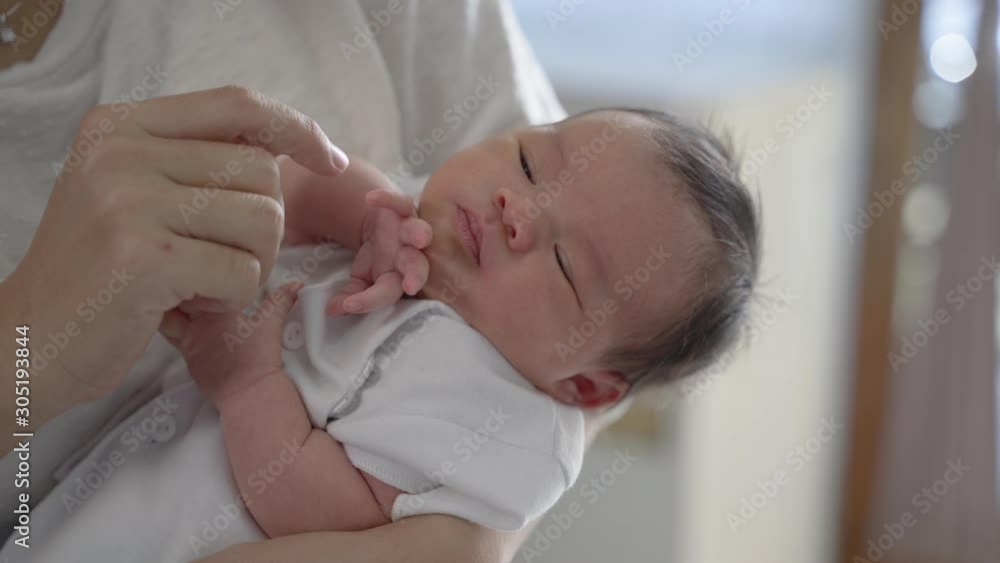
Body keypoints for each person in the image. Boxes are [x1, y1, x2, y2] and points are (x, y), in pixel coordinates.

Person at [0, 0, 603, 560]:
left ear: (582, 385)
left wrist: (248, 386)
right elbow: (295, 187)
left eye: (565, 264)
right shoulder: (434, 215)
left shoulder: (511, 419)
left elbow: (328, 511)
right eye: (526, 164)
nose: (519, 209)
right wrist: (363, 212)